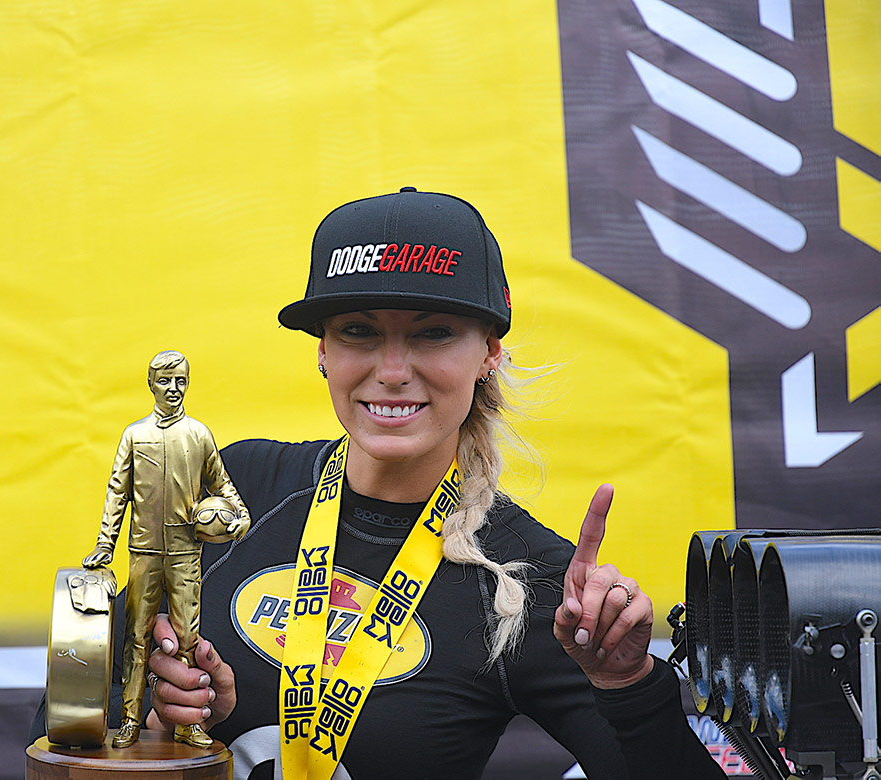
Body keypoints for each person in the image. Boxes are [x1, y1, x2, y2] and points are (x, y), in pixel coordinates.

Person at [36, 189, 723, 779]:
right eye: (360, 331)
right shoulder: (234, 484)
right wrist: (159, 727)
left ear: (489, 352)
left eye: (432, 333)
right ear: (323, 351)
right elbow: (61, 728)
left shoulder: (526, 582)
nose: (392, 370)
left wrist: (628, 683)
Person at [80, 349, 250, 749]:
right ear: (151, 384)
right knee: (136, 637)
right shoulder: (134, 435)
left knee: (187, 638)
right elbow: (117, 493)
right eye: (165, 381)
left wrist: (239, 515)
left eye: (180, 381)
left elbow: (222, 484)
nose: (173, 389)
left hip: (186, 553)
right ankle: (129, 720)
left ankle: (189, 724)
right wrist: (106, 543)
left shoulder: (199, 434)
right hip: (143, 553)